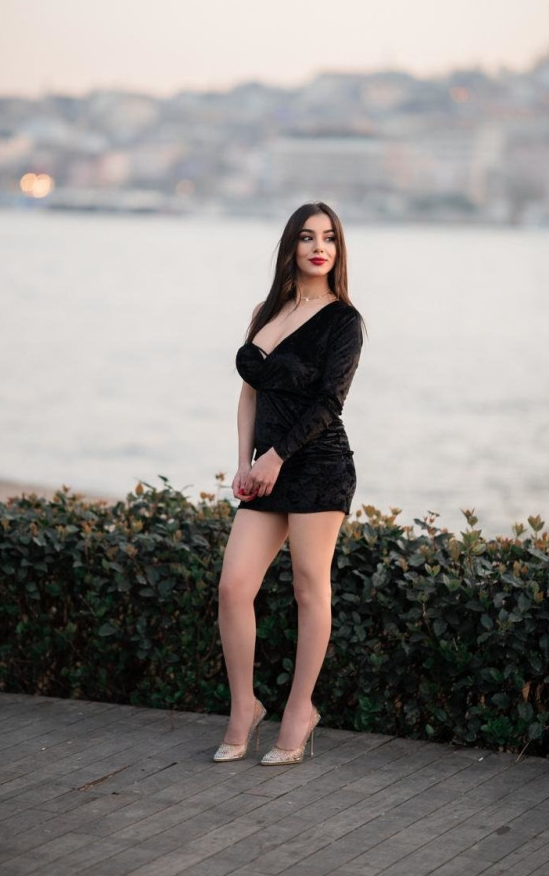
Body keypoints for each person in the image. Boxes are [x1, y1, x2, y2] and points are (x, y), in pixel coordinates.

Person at [213, 201, 365, 766]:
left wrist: (275, 458)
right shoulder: (266, 311)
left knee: (308, 588)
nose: (318, 247)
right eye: (307, 237)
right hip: (264, 470)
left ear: (338, 249)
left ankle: (300, 710)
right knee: (233, 587)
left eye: (329, 238)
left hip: (320, 466)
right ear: (291, 246)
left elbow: (330, 404)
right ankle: (245, 707)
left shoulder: (344, 321)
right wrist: (244, 462)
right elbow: (249, 393)